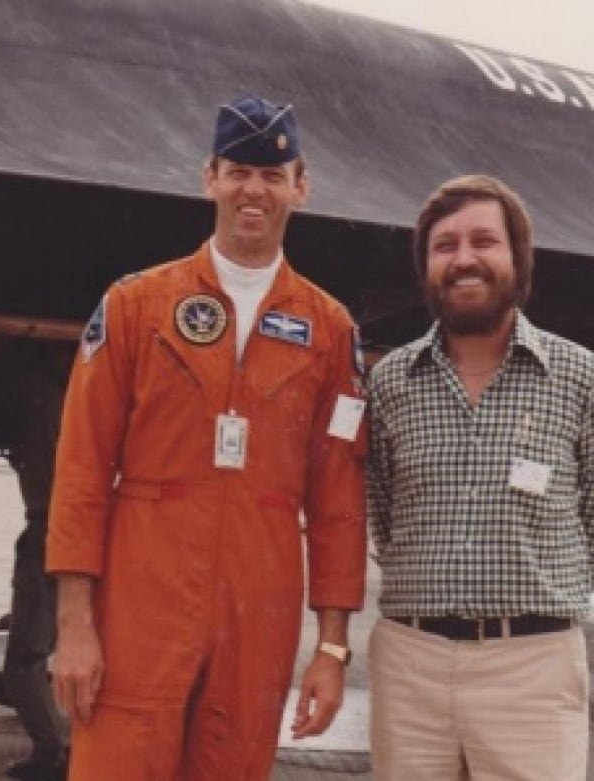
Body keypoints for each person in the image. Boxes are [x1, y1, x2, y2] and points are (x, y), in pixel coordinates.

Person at [45, 94, 367, 779]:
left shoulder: (329, 329)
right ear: (209, 177)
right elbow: (79, 471)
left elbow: (338, 499)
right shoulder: (135, 305)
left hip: (259, 606)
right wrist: (75, 625)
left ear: (300, 186)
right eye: (239, 170)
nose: (254, 189)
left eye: (273, 175)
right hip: (140, 603)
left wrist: (332, 648)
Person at [366, 174, 594, 780]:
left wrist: (529, 606)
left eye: (484, 241)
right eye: (445, 245)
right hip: (411, 663)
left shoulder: (583, 377)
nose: (464, 259)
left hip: (531, 666)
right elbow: (383, 516)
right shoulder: (391, 383)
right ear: (427, 265)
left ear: (517, 258)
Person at [3, 356, 71, 781]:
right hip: (69, 534)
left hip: (49, 534)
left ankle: (53, 755)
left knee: (24, 659)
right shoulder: (72, 407)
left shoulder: (40, 398)